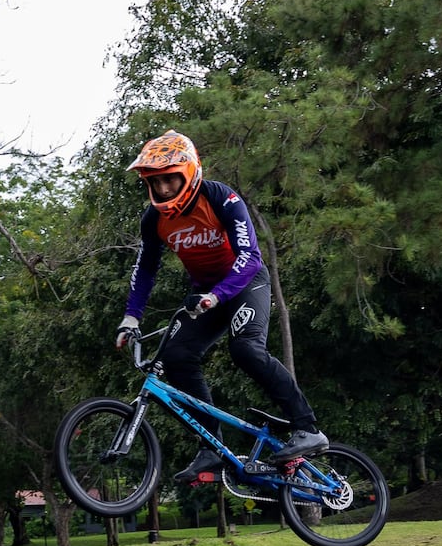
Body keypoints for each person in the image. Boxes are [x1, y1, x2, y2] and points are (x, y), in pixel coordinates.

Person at [115, 131, 328, 483]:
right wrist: (130, 317)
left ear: (189, 173)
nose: (163, 189)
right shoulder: (153, 220)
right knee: (176, 357)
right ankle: (211, 448)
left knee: (245, 349)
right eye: (155, 182)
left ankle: (307, 428)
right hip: (206, 295)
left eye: (170, 179)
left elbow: (250, 257)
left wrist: (217, 295)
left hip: (245, 283)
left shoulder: (221, 198)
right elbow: (145, 269)